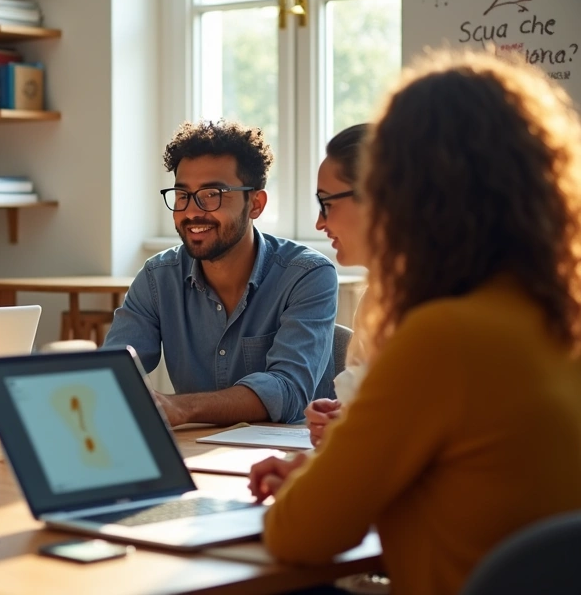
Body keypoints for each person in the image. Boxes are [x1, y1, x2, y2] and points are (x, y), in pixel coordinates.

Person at [252, 51, 581, 594]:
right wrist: (329, 481)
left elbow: (300, 537)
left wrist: (315, 492)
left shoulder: (444, 337)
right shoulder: (554, 319)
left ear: (405, 196)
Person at [102, 119, 338, 426]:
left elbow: (289, 389)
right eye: (182, 195)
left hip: (287, 459)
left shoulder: (307, 275)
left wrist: (182, 408)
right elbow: (113, 372)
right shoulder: (158, 278)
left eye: (212, 194)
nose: (191, 211)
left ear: (256, 204)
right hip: (196, 452)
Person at [304, 123, 372, 447]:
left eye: (326, 204)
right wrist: (344, 418)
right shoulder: (377, 297)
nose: (320, 223)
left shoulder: (435, 308)